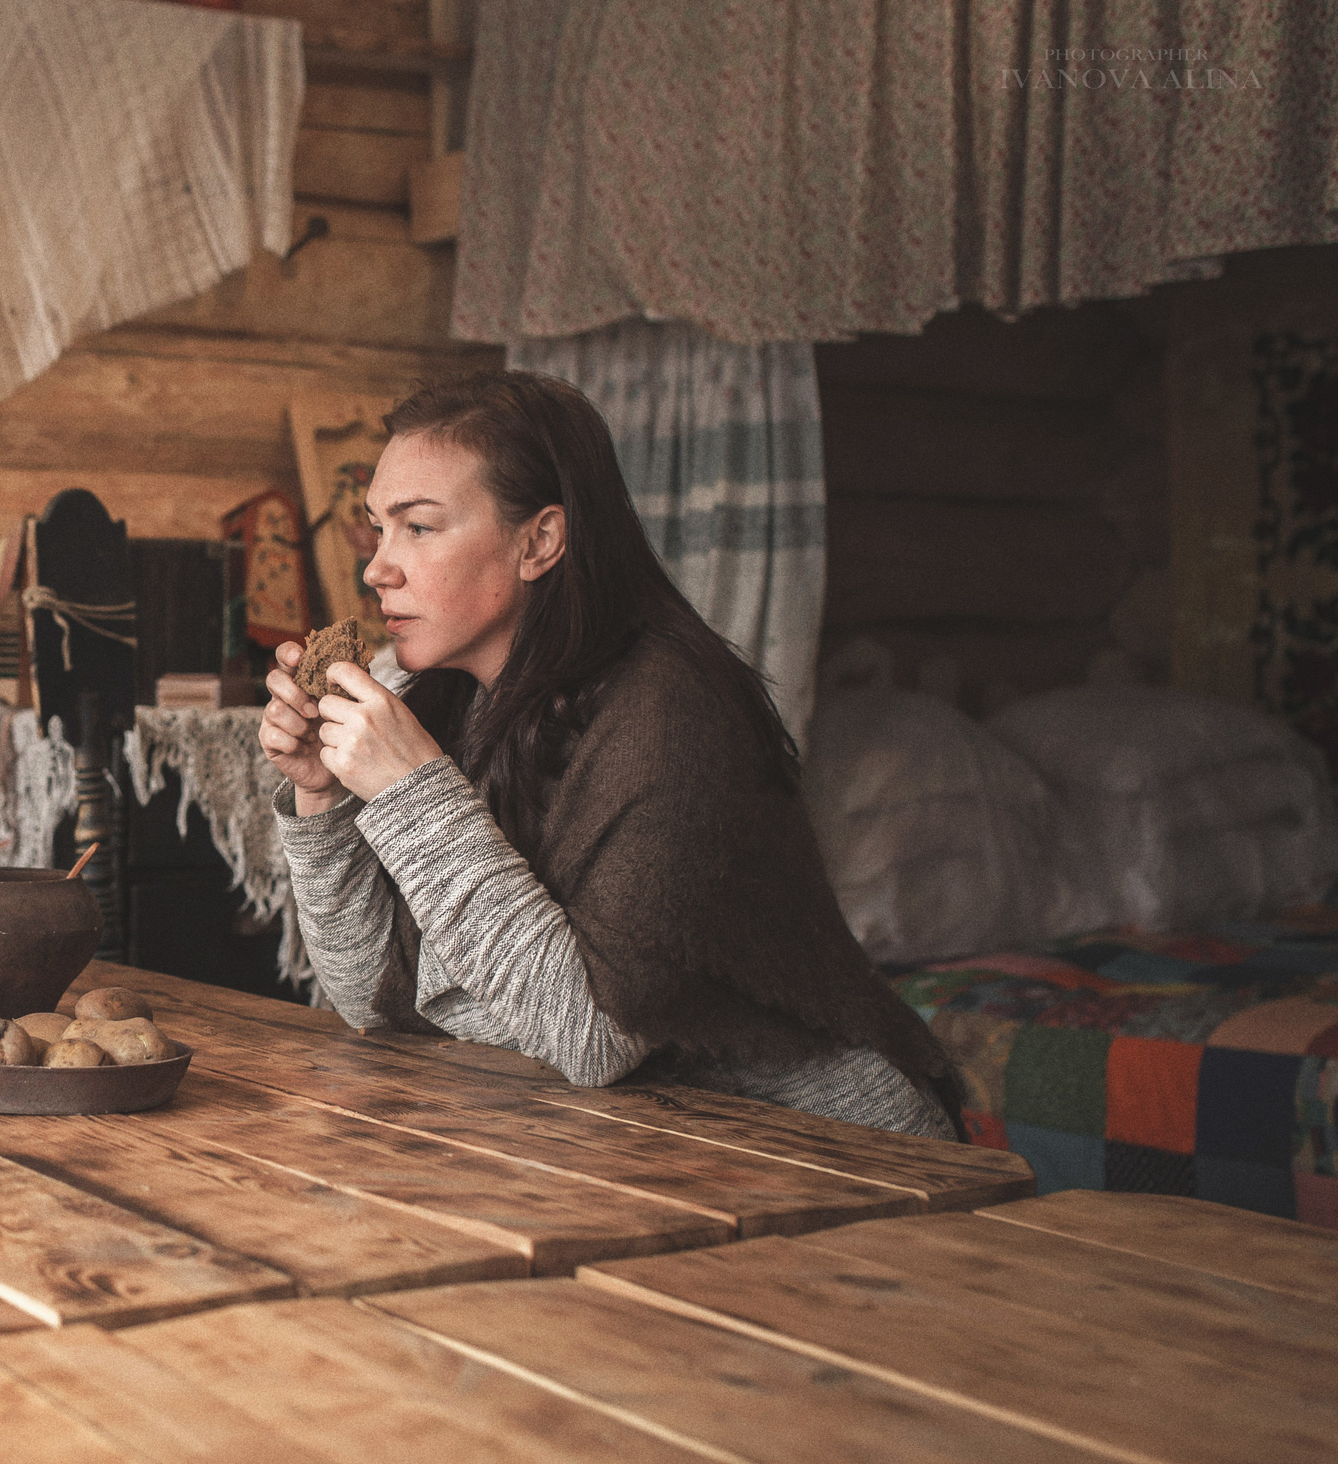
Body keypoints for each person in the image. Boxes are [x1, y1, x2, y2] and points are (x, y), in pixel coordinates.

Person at [262, 372, 960, 1138]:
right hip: (633, 1141)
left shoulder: (675, 713)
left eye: (419, 528)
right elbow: (374, 999)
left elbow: (594, 1036)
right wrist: (325, 799)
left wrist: (412, 791)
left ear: (541, 541)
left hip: (830, 1148)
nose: (376, 568)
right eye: (378, 528)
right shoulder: (452, 703)